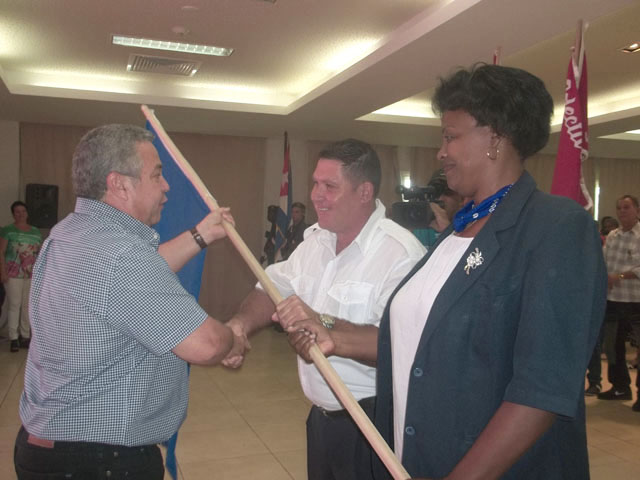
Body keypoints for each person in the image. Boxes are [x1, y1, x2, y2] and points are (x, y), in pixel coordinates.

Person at [287, 65, 606, 479]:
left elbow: (541, 392)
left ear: (494, 139)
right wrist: (333, 332)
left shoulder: (554, 227)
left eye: (450, 137)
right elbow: (418, 344)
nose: (441, 152)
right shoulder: (454, 235)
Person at [15, 124, 245, 479]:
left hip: (52, 446)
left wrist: (201, 234)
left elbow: (131, 280)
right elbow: (206, 345)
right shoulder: (122, 255)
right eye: (156, 175)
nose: (166, 185)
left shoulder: (70, 234)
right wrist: (233, 336)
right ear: (119, 184)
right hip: (98, 461)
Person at [224, 139, 425, 480]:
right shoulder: (315, 241)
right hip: (321, 419)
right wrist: (240, 326)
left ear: (364, 192)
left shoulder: (401, 254)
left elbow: (401, 345)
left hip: (373, 422)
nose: (316, 195)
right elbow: (272, 288)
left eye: (330, 186)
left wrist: (328, 329)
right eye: (316, 183)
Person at [597, 195, 640, 412]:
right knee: (612, 347)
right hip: (613, 301)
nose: (622, 211)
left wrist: (620, 277)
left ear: (637, 210)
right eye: (619, 208)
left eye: (626, 207)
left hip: (636, 302)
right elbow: (603, 264)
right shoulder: (612, 236)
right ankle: (620, 387)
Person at [0, 201, 42, 352]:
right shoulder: (7, 230)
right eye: (17, 211)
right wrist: (2, 271)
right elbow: (2, 252)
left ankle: (25, 336)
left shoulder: (36, 232)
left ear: (27, 213)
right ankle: (13, 337)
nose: (21, 214)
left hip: (30, 274)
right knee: (14, 305)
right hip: (13, 274)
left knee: (26, 306)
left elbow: (39, 254)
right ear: (13, 214)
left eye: (23, 211)